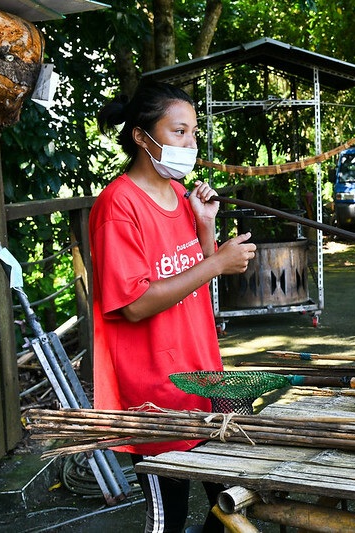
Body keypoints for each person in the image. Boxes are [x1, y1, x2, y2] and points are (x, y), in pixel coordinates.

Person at [91, 80, 256, 533]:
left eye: (194, 132)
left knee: (232, 505)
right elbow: (136, 304)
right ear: (142, 137)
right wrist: (220, 261)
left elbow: (194, 279)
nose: (191, 143)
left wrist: (206, 229)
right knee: (169, 516)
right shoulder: (118, 205)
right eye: (179, 131)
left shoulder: (183, 198)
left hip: (202, 376)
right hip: (156, 394)